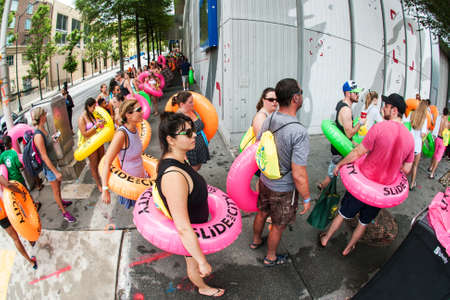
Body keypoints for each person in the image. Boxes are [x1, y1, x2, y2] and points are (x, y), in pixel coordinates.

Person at [319, 93, 414, 256]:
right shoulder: (410, 139)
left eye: (386, 105)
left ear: (394, 110)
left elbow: (357, 153)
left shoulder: (379, 128)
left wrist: (340, 165)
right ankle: (348, 248)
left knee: (343, 214)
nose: (383, 108)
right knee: (363, 223)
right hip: (380, 192)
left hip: (362, 185)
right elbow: (406, 169)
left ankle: (326, 238)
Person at [156, 112, 225, 297]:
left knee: (193, 260)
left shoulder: (180, 158)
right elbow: (183, 228)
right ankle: (203, 287)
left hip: (198, 223)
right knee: (192, 263)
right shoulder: (173, 176)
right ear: (171, 139)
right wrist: (202, 261)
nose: (194, 135)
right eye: (187, 133)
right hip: (192, 230)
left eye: (192, 130)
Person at [251, 78, 311, 266]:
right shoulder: (299, 132)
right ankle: (271, 257)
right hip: (283, 189)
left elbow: (260, 147)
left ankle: (256, 241)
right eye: (300, 93)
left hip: (265, 180)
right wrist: (307, 197)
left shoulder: (269, 119)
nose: (302, 96)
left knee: (261, 212)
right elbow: (298, 173)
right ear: (295, 98)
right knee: (277, 225)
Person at [317, 80, 365, 191]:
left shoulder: (341, 103)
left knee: (333, 171)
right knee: (334, 171)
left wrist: (356, 143)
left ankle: (323, 187)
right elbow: (349, 133)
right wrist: (360, 123)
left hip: (341, 145)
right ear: (348, 93)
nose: (358, 95)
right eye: (355, 93)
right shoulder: (346, 110)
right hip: (341, 149)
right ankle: (324, 189)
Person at [32, 107, 76, 222]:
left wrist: (53, 139)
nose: (46, 116)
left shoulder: (43, 130)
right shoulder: (38, 135)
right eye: (45, 114)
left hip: (53, 164)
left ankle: (61, 202)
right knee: (56, 191)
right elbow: (44, 156)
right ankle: (64, 213)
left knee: (58, 187)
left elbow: (47, 145)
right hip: (50, 168)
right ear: (41, 117)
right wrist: (55, 172)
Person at [100, 100, 146, 209]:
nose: (142, 112)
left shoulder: (135, 128)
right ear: (128, 115)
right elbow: (107, 162)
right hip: (131, 185)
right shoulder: (121, 134)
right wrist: (105, 189)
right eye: (139, 110)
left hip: (142, 178)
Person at [0, 176, 38, 269]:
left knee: (15, 239)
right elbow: (8, 184)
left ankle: (31, 262)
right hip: (7, 206)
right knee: (23, 222)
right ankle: (31, 240)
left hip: (1, 216)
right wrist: (21, 192)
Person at [173, 91, 210, 171]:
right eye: (190, 102)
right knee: (192, 171)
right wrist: (184, 155)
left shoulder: (191, 111)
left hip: (199, 146)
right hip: (190, 149)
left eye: (192, 101)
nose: (193, 103)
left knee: (198, 168)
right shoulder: (179, 118)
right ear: (182, 104)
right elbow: (178, 137)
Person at [78, 98, 105, 192]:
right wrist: (95, 126)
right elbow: (85, 133)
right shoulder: (82, 118)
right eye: (93, 107)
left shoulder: (92, 114)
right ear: (88, 107)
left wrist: (101, 124)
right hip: (90, 144)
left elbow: (98, 125)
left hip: (98, 140)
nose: (95, 108)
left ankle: (104, 179)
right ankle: (98, 184)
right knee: (94, 165)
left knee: (102, 160)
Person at [408, 100, 428, 190]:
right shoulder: (424, 119)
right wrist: (427, 133)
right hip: (417, 146)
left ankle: (401, 181)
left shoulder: (412, 114)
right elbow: (422, 134)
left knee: (406, 163)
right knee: (415, 165)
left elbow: (407, 126)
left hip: (409, 143)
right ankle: (412, 184)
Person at [428, 108, 449, 179]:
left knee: (434, 153)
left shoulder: (440, 118)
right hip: (443, 141)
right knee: (438, 157)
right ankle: (432, 173)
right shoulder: (448, 122)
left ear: (443, 112)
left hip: (437, 138)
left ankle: (431, 167)